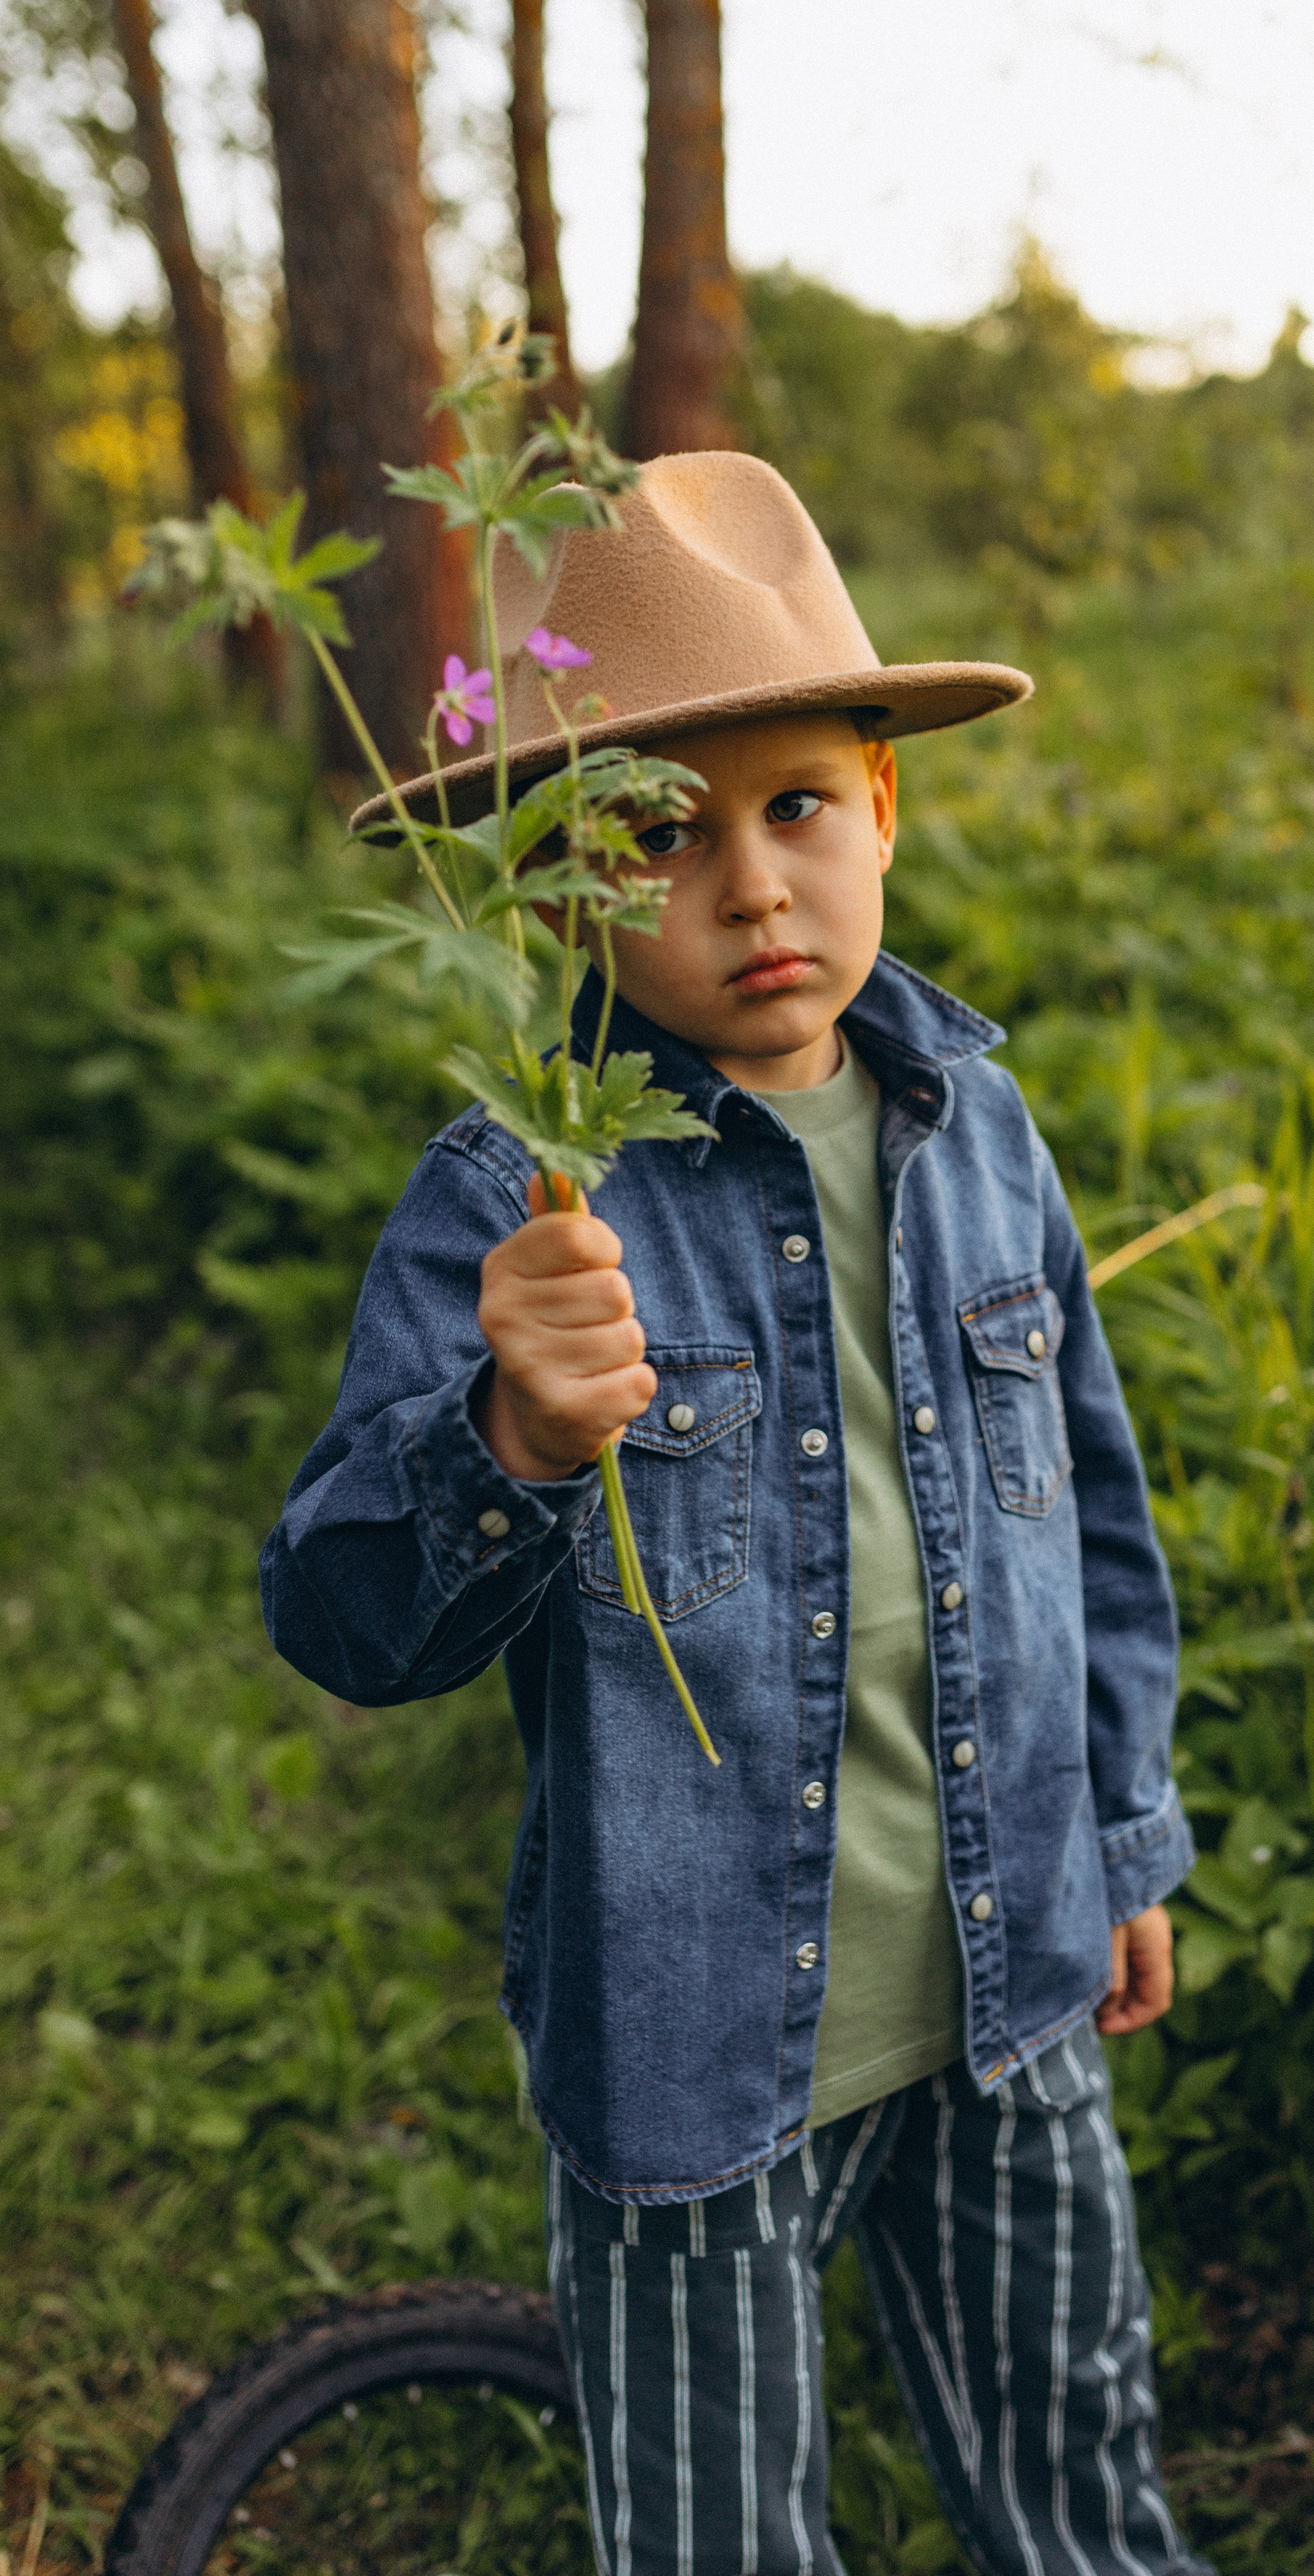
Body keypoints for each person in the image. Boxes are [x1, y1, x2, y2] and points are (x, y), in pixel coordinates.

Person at [263, 451, 1207, 2576]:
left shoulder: (981, 1130)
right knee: (716, 2534)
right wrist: (506, 1437)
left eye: (793, 808)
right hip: (694, 2038)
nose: (747, 888)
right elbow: (337, 1615)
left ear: (886, 808)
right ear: (551, 895)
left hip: (1012, 1964)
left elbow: (1101, 1519)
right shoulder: (524, 1194)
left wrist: (1127, 1833)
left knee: (1082, 2490)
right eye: (657, 838)